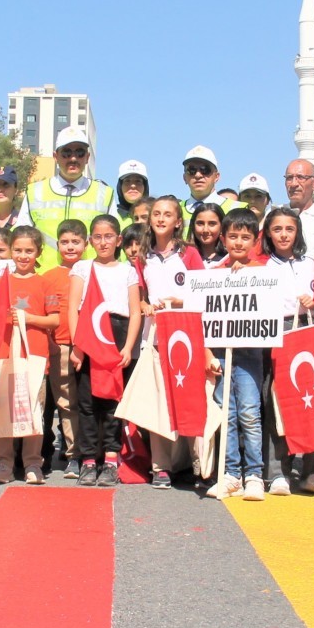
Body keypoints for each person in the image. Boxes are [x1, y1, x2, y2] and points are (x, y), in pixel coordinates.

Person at [67, 214, 142, 487]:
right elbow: (73, 308)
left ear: (119, 240)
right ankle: (88, 459)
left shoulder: (127, 270)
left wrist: (128, 347)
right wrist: (78, 346)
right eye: (97, 237)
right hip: (88, 336)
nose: (103, 242)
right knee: (86, 403)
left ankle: (111, 458)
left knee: (112, 403)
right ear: (90, 241)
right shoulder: (82, 268)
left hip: (117, 335)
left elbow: (135, 313)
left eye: (109, 236)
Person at [140, 196, 204, 489]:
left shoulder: (189, 254)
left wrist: (180, 301)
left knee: (187, 399)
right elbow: (138, 296)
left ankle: (194, 465)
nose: (162, 219)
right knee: (158, 404)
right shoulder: (142, 255)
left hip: (186, 336)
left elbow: (204, 292)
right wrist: (145, 307)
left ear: (178, 221)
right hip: (153, 337)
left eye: (168, 214)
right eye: (156, 214)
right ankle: (160, 467)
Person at [260, 206, 314, 495]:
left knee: (310, 401)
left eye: (289, 229)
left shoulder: (311, 264)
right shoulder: (259, 265)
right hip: (276, 334)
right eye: (277, 229)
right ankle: (278, 472)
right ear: (268, 233)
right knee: (278, 402)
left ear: (297, 231)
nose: (283, 234)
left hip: (309, 332)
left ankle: (312, 470)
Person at [0, 226, 57, 484]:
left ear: (38, 252)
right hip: (5, 356)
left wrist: (29, 318)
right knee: (3, 411)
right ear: (10, 251)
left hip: (36, 357)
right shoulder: (2, 282)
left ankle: (32, 463)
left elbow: (55, 319)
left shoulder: (44, 283)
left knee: (33, 411)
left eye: (29, 250)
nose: (23, 255)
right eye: (18, 250)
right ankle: (3, 463)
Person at [25, 127, 113, 270]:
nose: (73, 158)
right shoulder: (35, 191)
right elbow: (21, 239)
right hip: (44, 279)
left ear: (87, 157)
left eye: (79, 152)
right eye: (66, 153)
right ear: (55, 156)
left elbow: (112, 241)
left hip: (90, 279)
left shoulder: (104, 194)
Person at [41, 219, 85, 479]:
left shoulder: (92, 271)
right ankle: (73, 455)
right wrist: (51, 344)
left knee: (89, 404)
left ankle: (93, 453)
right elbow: (45, 313)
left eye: (76, 242)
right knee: (66, 404)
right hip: (61, 346)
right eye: (65, 242)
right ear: (57, 245)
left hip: (89, 347)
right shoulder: (49, 277)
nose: (70, 246)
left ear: (85, 243)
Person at [181, 146, 234, 217]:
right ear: (184, 178)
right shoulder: (174, 211)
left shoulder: (237, 209)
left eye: (205, 169)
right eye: (191, 170)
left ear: (217, 176)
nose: (198, 175)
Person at [112, 160, 150, 227]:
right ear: (120, 187)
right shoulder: (112, 215)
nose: (133, 186)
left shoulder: (156, 215)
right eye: (127, 181)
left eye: (138, 181)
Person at [187, 201, 226, 265]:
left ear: (222, 226)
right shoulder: (183, 258)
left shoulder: (231, 258)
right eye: (200, 223)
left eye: (212, 224)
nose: (205, 230)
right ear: (193, 226)